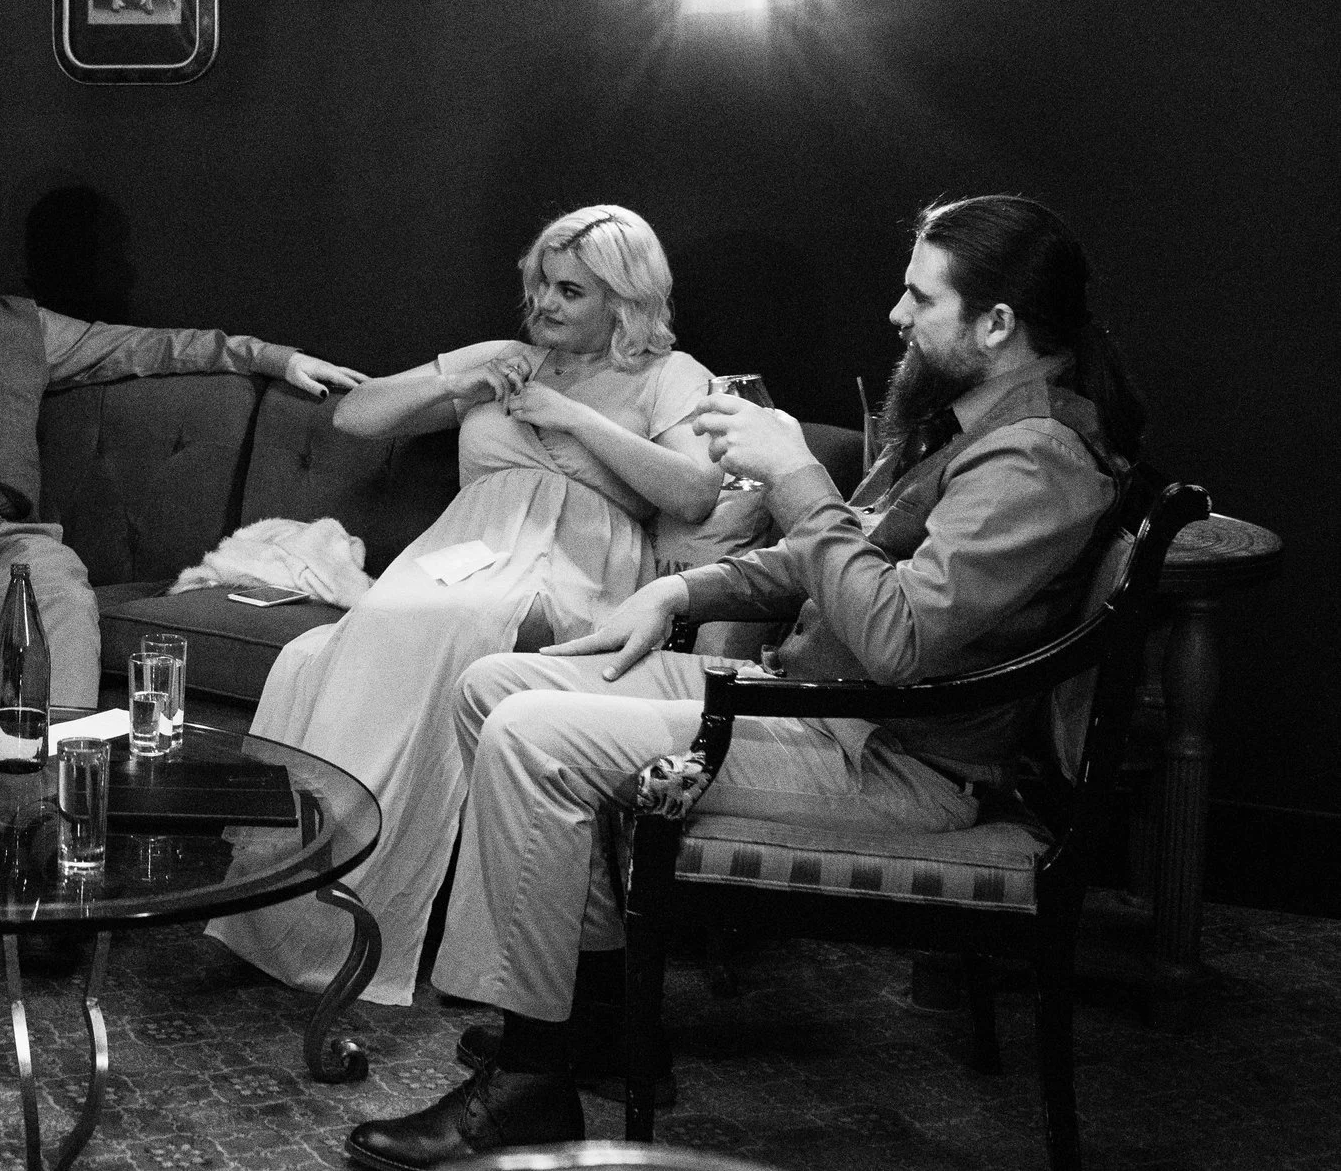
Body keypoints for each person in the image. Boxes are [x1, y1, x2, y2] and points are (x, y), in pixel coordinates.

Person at [345, 194, 1142, 1169]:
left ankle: (528, 1080)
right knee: (493, 683)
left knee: (529, 736)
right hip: (808, 704)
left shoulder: (1038, 459)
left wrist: (796, 474)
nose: (896, 315)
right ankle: (596, 1021)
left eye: (918, 297)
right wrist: (684, 584)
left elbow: (893, 639)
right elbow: (837, 561)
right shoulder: (967, 424)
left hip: (890, 764)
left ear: (997, 325)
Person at [210, 206, 721, 1007]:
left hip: (576, 563)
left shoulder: (668, 374)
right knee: (314, 656)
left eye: (570, 291)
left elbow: (695, 491)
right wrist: (463, 381)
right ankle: (293, 907)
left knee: (439, 630)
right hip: (460, 553)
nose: (544, 305)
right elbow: (356, 415)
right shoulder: (507, 357)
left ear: (625, 301)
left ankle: (368, 917)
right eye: (539, 286)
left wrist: (573, 417)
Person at [0, 157, 364, 714]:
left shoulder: (28, 327)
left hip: (15, 538)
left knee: (64, 599)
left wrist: (273, 358)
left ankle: (61, 777)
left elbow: (147, 348)